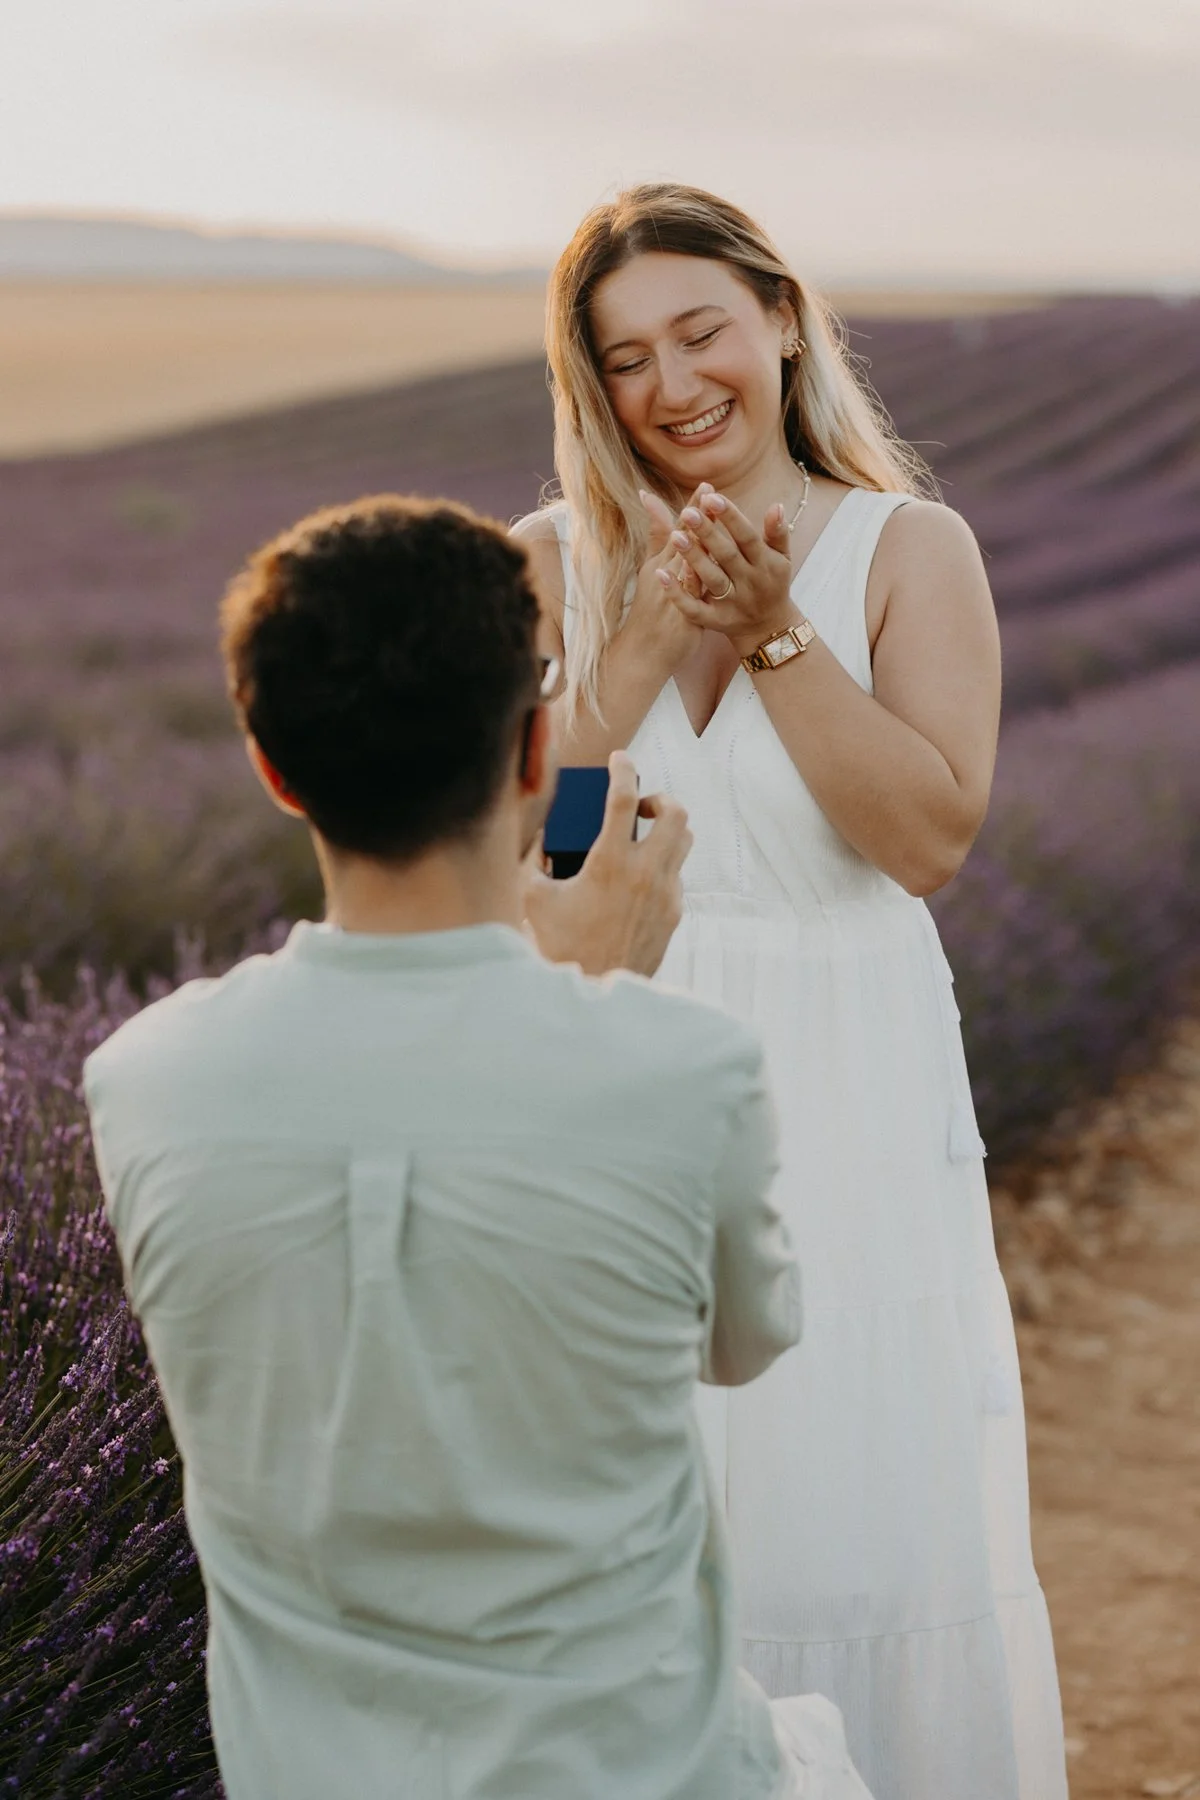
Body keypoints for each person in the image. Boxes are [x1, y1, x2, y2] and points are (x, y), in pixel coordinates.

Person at [84, 495, 874, 1800]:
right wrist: (590, 997)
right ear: (531, 756)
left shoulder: (140, 1080)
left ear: (272, 767)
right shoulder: (679, 1068)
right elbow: (744, 1337)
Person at [514, 184, 1068, 1800]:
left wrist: (770, 636)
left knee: (848, 1494)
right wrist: (627, 659)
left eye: (700, 333)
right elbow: (524, 848)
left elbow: (926, 837)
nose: (674, 386)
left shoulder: (909, 548)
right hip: (618, 1049)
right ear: (586, 384)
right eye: (625, 359)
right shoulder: (543, 562)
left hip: (843, 1080)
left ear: (778, 317)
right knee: (642, 1499)